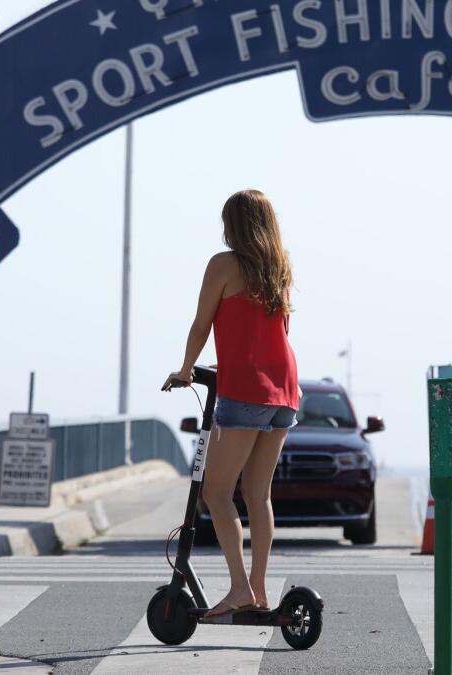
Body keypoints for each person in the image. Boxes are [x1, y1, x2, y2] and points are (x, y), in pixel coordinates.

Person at [163, 189, 298, 617]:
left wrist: (186, 370)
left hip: (247, 392)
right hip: (286, 390)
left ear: (233, 225)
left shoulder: (223, 264)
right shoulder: (279, 268)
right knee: (258, 495)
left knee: (217, 493)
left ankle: (239, 588)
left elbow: (201, 322)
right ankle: (258, 590)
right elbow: (277, 333)